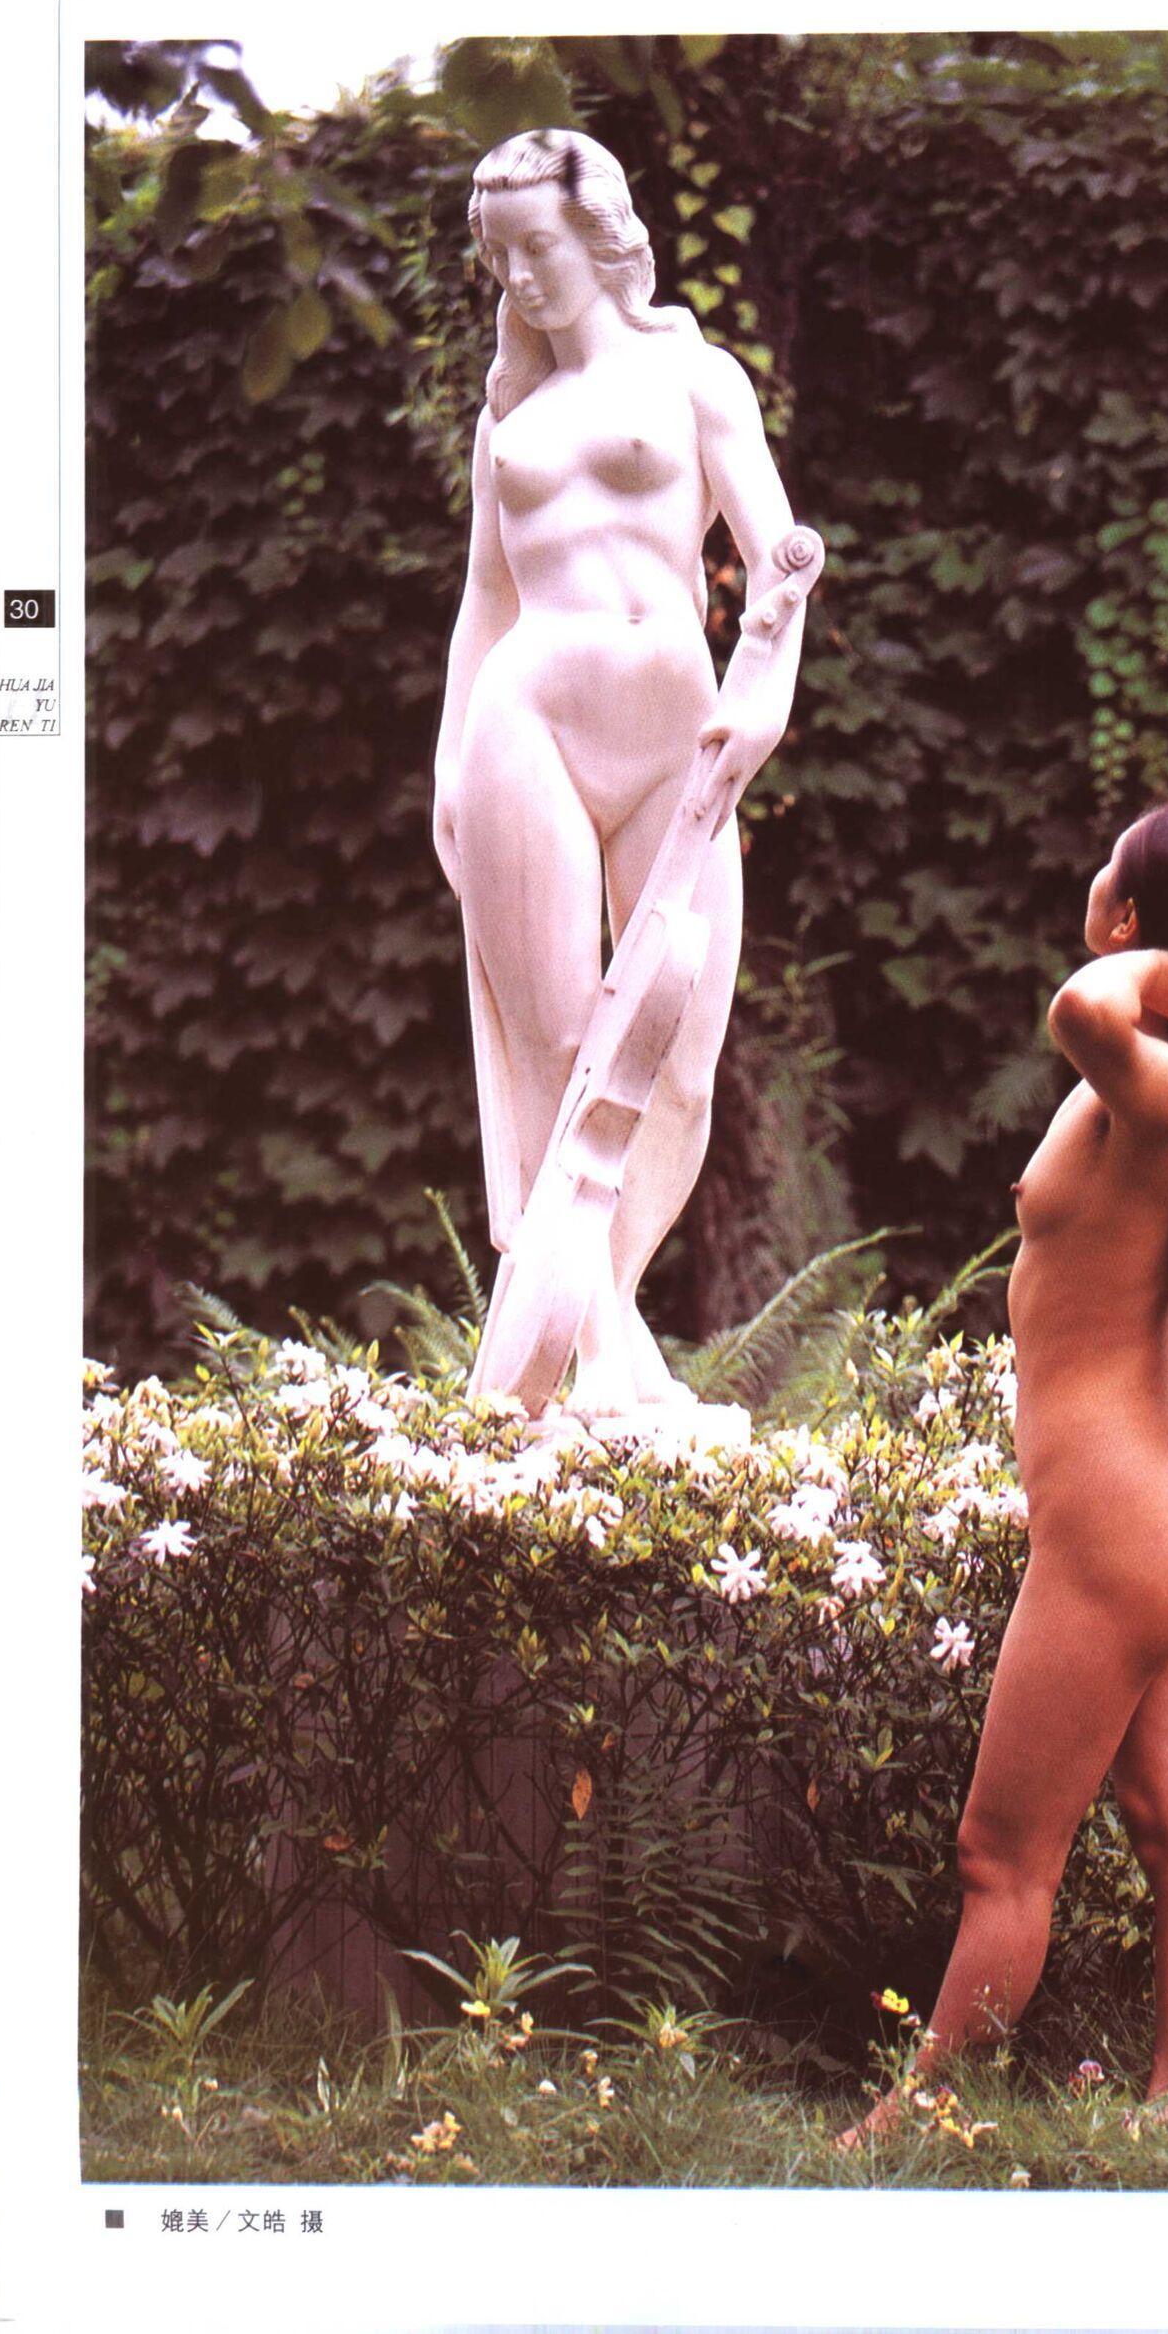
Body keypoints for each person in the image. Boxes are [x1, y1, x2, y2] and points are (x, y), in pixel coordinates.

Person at [840, 770, 1168, 2143]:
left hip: (1122, 1520)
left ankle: (908, 2130)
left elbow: (1083, 1006)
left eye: (1113, 875)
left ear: (1134, 922)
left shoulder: (1164, 1088)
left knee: (1003, 1857)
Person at [431, 129, 818, 1417]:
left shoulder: (694, 379)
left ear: (599, 237)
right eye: (499, 256)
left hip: (678, 737)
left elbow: (781, 553)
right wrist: (448, 765)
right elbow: (484, 601)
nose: (519, 276)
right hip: (526, 720)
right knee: (560, 1051)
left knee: (679, 1062)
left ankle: (594, 1312)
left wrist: (765, 696)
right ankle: (606, 1354)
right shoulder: (510, 423)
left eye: (536, 245)